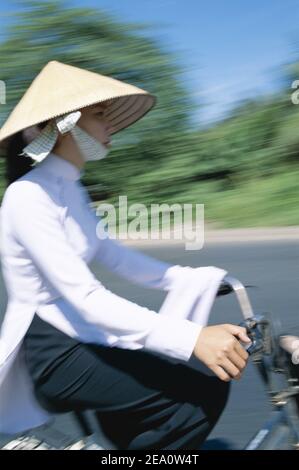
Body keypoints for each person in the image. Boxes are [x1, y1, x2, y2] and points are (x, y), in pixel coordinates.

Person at [0, 60, 250, 450]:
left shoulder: (70, 189)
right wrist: (190, 337)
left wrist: (189, 277)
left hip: (79, 335)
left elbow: (114, 256)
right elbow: (85, 296)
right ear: (64, 126)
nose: (111, 126)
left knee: (197, 384)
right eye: (100, 115)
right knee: (194, 397)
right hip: (51, 350)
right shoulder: (28, 196)